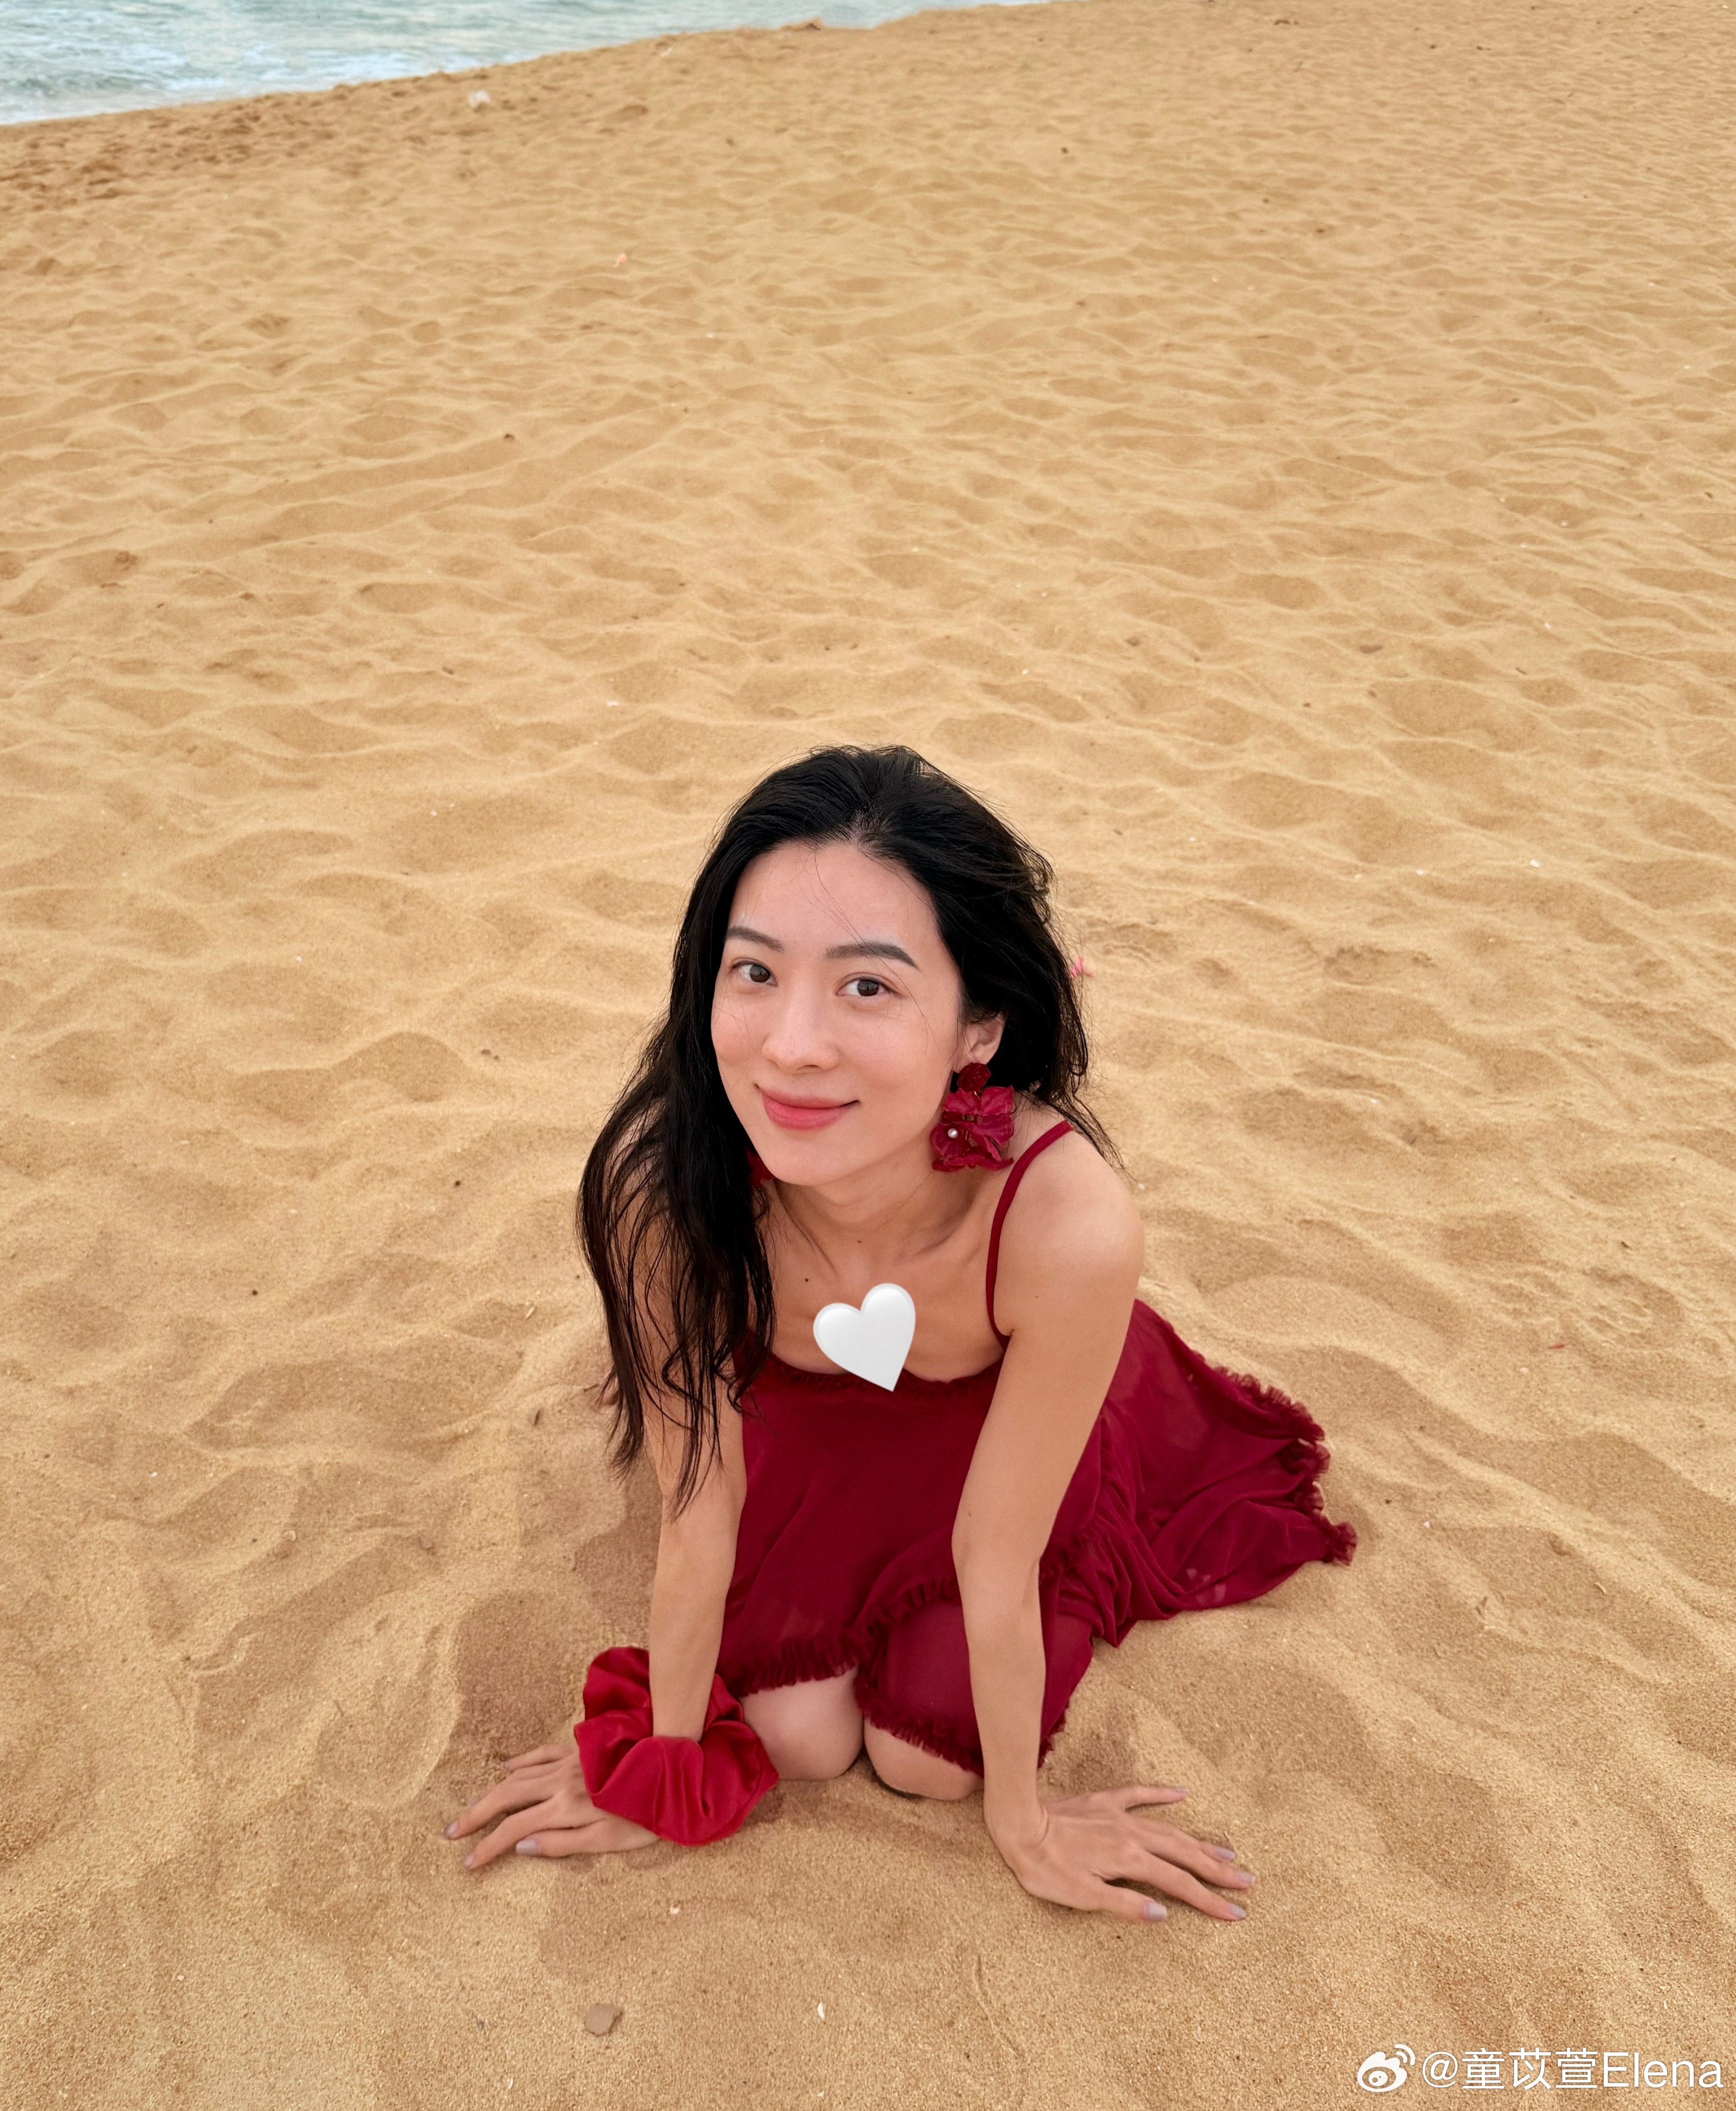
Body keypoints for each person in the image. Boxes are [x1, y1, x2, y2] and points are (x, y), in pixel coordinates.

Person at [447, 746, 1353, 1924]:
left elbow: (996, 1555)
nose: (792, 1045)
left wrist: (1026, 1825)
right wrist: (663, 1768)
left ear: (979, 1027)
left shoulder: (1063, 1223)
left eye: (867, 987)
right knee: (795, 1737)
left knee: (932, 1761)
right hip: (814, 1446)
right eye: (755, 971)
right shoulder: (669, 1189)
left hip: (1002, 1450)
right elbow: (696, 1511)